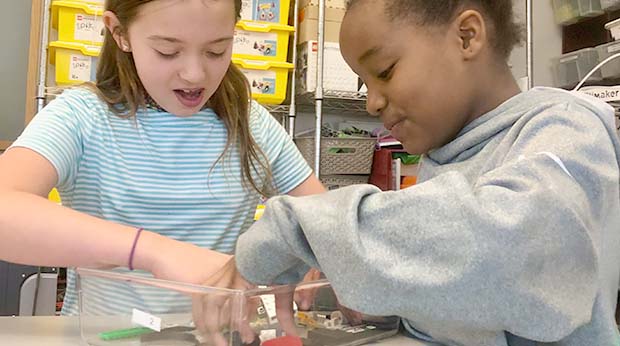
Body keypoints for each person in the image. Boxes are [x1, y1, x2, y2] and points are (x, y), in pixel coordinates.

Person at [234, 0, 620, 345]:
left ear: (466, 37)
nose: (371, 102)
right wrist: (390, 297)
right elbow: (462, 296)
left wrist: (299, 228)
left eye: (384, 72)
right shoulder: (445, 152)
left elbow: (521, 254)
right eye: (364, 83)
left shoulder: (566, 128)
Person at [0, 0, 324, 317]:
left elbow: (326, 220)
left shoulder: (252, 123)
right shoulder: (82, 116)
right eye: (168, 51)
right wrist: (155, 253)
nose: (195, 75)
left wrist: (320, 256)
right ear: (119, 33)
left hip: (214, 338)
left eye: (217, 50)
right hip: (102, 338)